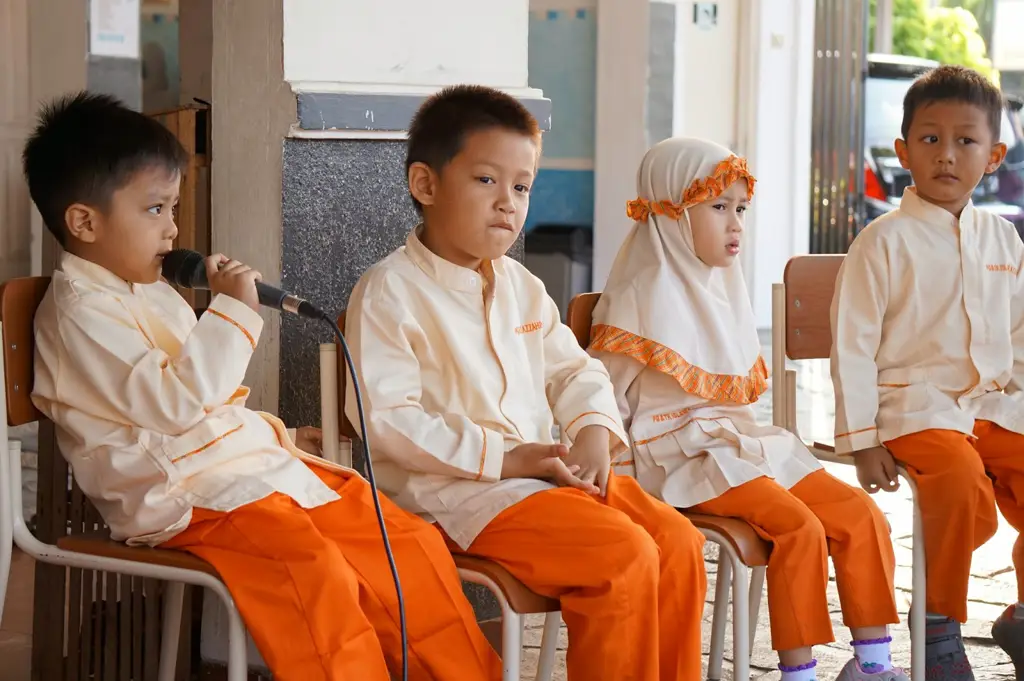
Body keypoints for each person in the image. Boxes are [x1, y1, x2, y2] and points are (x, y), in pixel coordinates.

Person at [25, 91, 500, 681]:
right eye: (154, 210)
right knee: (310, 568)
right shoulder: (77, 313)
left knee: (405, 542)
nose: (174, 228)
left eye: (173, 209)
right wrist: (233, 311)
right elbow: (174, 406)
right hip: (179, 496)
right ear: (84, 222)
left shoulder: (146, 288)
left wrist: (277, 433)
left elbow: (209, 399)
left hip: (238, 475)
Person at [344, 84, 708, 681]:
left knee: (678, 544)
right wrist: (507, 459)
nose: (507, 203)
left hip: (546, 477)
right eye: (487, 181)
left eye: (521, 187)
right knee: (622, 556)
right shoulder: (390, 291)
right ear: (426, 185)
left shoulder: (520, 283)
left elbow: (573, 369)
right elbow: (385, 421)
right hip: (458, 494)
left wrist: (593, 429)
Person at [590, 136, 903, 681]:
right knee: (798, 528)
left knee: (859, 514)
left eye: (741, 208)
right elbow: (600, 400)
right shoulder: (638, 294)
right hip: (679, 455)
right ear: (670, 212)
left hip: (738, 441)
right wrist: (618, 487)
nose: (736, 224)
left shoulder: (724, 287)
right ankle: (798, 671)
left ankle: (872, 666)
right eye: (717, 207)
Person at [830, 64, 1023, 681]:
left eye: (966, 141)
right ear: (904, 151)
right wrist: (860, 439)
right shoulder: (883, 242)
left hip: (989, 405)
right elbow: (852, 346)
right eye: (931, 139)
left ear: (993, 155)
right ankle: (937, 625)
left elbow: (1018, 336)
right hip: (912, 409)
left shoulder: (1003, 239)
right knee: (960, 477)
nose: (947, 155)